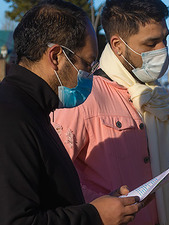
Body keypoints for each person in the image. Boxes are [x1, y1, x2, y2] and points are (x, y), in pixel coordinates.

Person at [52, 0, 169, 224]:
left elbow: (145, 166)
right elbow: (52, 177)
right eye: (151, 43)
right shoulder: (84, 97)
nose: (162, 49)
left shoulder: (154, 96)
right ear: (118, 45)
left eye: (165, 39)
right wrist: (99, 207)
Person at [0, 1, 143, 225]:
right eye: (87, 64)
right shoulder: (11, 117)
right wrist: (95, 216)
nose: (90, 75)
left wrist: (99, 206)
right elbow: (16, 219)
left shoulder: (33, 109)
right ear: (56, 56)